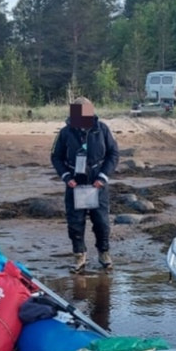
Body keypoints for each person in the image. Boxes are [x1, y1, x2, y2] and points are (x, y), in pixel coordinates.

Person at [51, 97, 119, 272]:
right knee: (75, 223)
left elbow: (113, 154)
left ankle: (104, 253)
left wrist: (103, 177)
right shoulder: (65, 132)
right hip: (75, 183)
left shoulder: (102, 129)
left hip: (97, 183)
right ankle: (79, 255)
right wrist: (66, 176)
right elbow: (56, 157)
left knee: (102, 222)